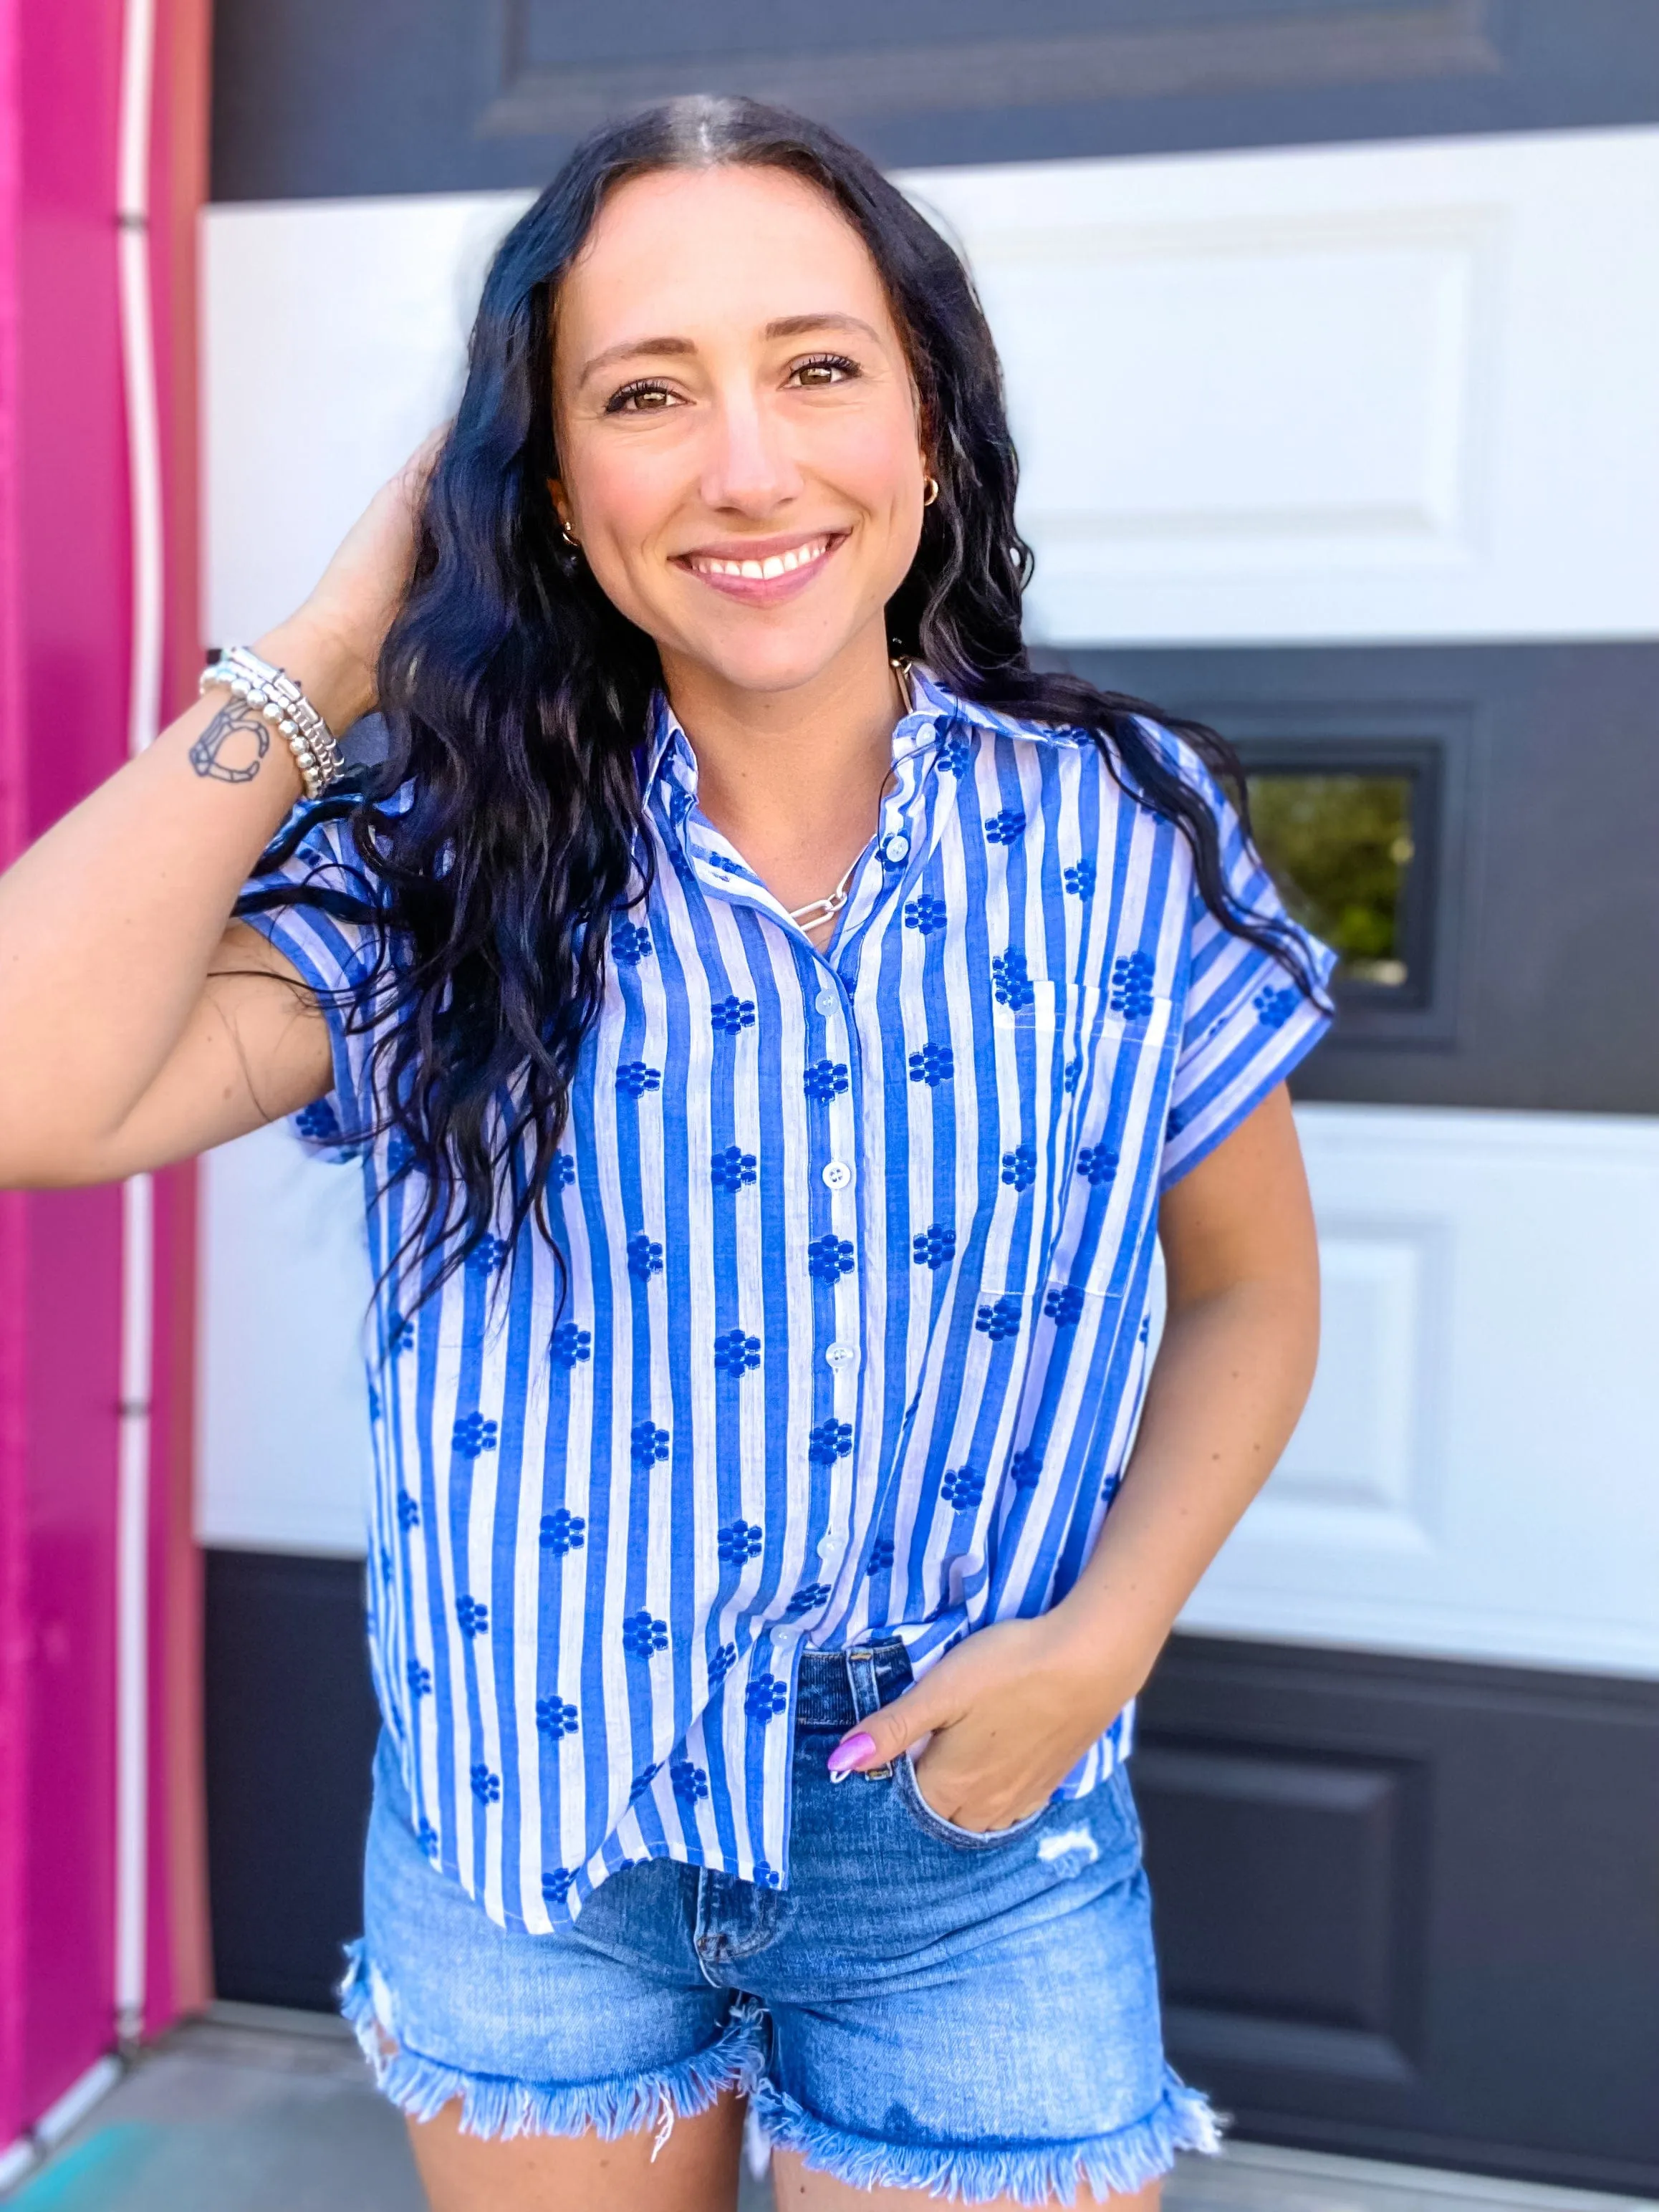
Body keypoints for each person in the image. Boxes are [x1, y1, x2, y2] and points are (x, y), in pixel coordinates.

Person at [0, 95, 1336, 2212]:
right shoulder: (436, 864)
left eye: (817, 366)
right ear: (535, 483)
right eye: (642, 393)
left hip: (976, 1841)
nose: (744, 465)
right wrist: (339, 637)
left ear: (926, 418)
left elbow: (1252, 1288)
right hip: (533, 1843)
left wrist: (1107, 1637)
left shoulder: (1118, 825)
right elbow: (26, 1088)